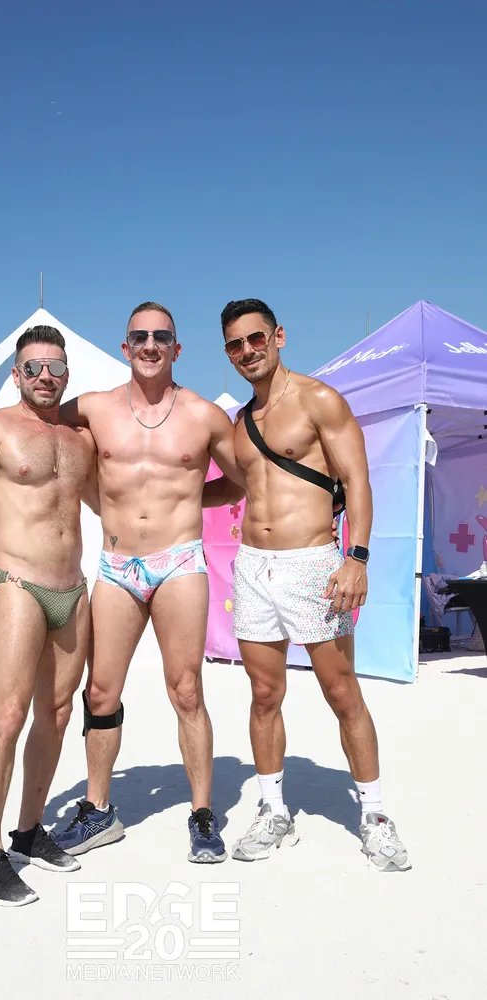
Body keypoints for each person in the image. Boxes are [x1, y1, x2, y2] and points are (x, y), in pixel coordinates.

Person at [0, 303, 245, 864]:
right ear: (124, 346)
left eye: (162, 336)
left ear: (178, 347)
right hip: (116, 566)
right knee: (99, 693)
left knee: (186, 690)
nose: (151, 344)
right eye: (140, 336)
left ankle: (202, 815)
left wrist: (189, 498)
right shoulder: (90, 408)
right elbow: (29, 420)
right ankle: (97, 810)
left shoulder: (206, 415)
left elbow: (239, 481)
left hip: (178, 561)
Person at [203, 298, 409, 871]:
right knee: (264, 694)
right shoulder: (240, 423)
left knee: (342, 692)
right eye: (235, 344)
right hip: (253, 567)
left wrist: (357, 557)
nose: (247, 350)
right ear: (228, 353)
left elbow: (357, 480)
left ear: (278, 336)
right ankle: (273, 811)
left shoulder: (320, 400)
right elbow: (234, 489)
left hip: (314, 565)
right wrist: (167, 498)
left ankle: (375, 816)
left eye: (256, 338)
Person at [0, 325, 101, 906]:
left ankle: (29, 832)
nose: (44, 376)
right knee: (7, 716)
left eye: (54, 367)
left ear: (67, 374)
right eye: (32, 367)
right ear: (16, 374)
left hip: (74, 591)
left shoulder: (82, 439)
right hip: (19, 586)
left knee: (56, 714)